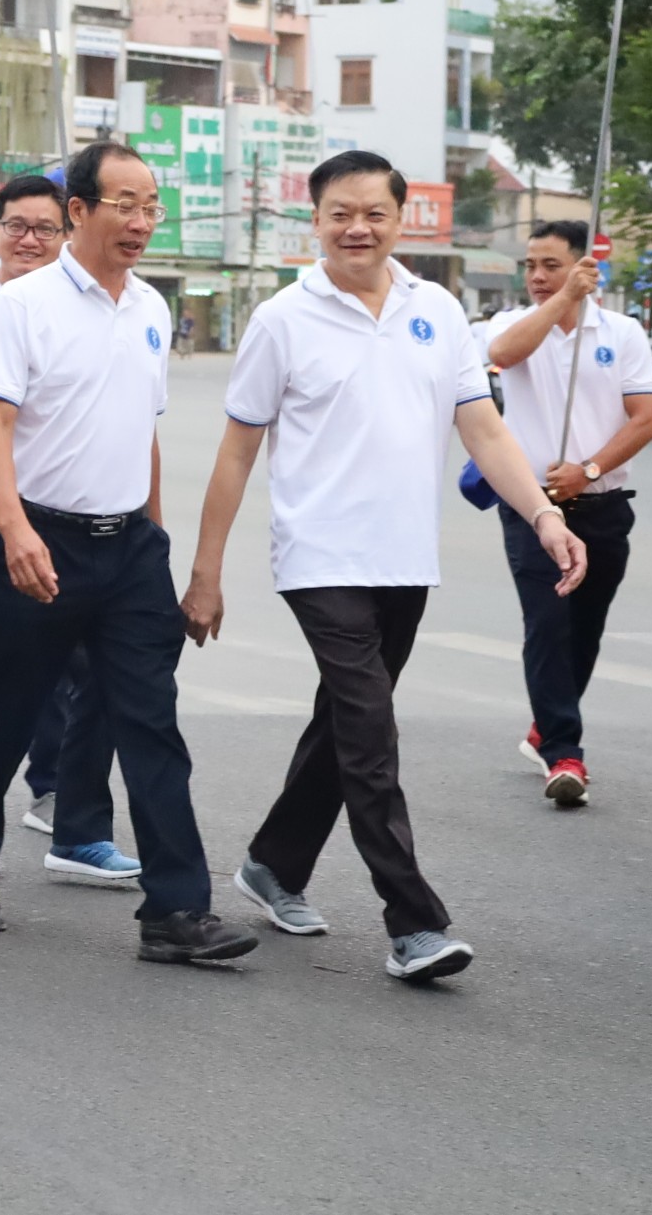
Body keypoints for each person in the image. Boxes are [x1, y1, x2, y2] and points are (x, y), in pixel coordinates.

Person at [185, 152, 588, 983]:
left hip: (405, 559)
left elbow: (482, 428)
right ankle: (413, 921)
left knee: (344, 724)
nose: (356, 228)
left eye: (372, 212)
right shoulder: (283, 318)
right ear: (317, 220)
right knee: (371, 736)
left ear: (402, 219)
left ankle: (272, 864)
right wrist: (206, 570)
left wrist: (543, 514)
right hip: (318, 558)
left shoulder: (436, 309)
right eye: (339, 213)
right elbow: (235, 454)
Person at [0, 140, 256, 966]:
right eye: (123, 202)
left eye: (151, 205)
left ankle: (176, 909)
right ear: (78, 211)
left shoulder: (152, 310)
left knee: (151, 724)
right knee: (7, 714)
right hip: (37, 540)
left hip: (128, 553)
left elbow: (142, 435)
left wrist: (159, 544)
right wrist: (14, 531)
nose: (140, 220)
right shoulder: (24, 307)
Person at [0, 175, 135, 887]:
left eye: (44, 228)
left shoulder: (101, 305)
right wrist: (6, 494)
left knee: (87, 671)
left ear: (68, 230)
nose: (29, 239)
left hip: (65, 514)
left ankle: (69, 813)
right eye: (16, 225)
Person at [479, 219, 652, 806]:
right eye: (531, 265)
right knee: (548, 625)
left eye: (551, 265)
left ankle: (547, 724)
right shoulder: (513, 324)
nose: (536, 276)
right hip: (533, 507)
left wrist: (591, 469)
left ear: (585, 266)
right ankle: (565, 753)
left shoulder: (624, 333)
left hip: (602, 505)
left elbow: (644, 419)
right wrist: (562, 297)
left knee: (585, 630)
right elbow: (502, 355)